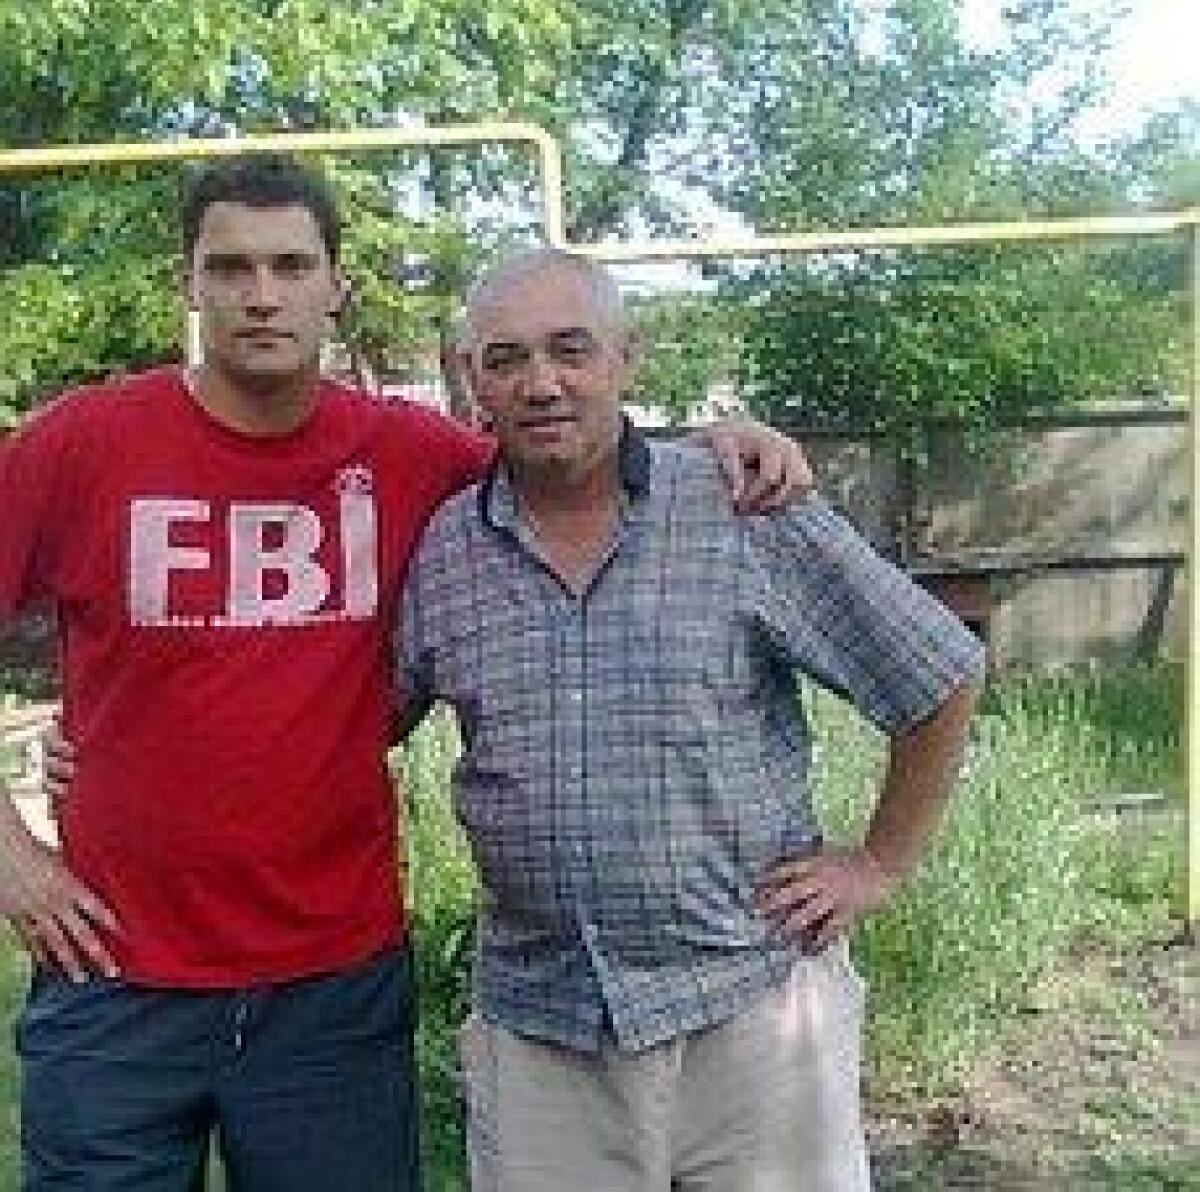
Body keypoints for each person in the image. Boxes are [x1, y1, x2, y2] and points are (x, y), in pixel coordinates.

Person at [0, 156, 812, 1192]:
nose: (261, 294)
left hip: (330, 985)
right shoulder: (83, 444)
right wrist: (13, 859)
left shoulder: (411, 455)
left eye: (291, 265)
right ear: (189, 285)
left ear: (335, 286)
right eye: (231, 267)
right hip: (114, 968)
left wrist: (715, 445)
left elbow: (568, 453)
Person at [395, 248, 986, 1191]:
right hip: (543, 1036)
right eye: (506, 360)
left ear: (627, 358)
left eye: (571, 350)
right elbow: (357, 721)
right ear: (472, 381)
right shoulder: (444, 549)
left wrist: (879, 863)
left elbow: (938, 670)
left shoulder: (742, 505)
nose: (541, 383)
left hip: (753, 1014)